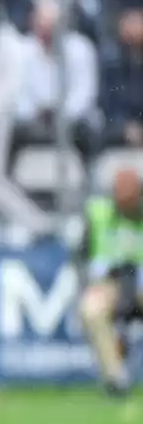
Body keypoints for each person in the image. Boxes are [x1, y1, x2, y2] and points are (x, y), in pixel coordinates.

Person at [77, 169, 143, 398]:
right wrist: (88, 282)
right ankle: (116, 378)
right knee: (91, 309)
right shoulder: (98, 214)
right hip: (109, 284)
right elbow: (81, 258)